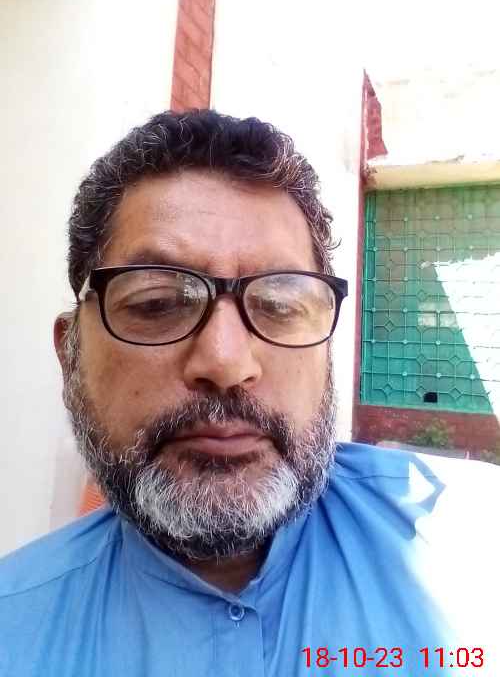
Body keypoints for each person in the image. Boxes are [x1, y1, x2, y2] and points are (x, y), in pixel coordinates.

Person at [0, 110, 498, 676]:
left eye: (280, 305)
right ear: (71, 356)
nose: (226, 362)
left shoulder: (474, 556)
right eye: (157, 303)